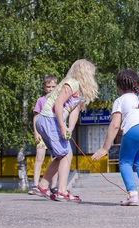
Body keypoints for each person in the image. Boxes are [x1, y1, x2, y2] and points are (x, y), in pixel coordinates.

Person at [93, 70, 139, 206]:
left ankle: (132, 195)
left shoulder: (120, 100)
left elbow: (115, 125)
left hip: (135, 128)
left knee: (125, 161)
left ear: (119, 87)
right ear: (138, 85)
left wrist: (105, 148)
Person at [34, 59, 98, 202]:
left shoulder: (80, 90)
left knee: (61, 154)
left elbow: (74, 110)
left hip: (51, 121)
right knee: (66, 154)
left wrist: (70, 128)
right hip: (49, 119)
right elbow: (58, 103)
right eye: (91, 74)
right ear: (83, 73)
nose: (92, 78)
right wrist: (62, 126)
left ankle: (43, 185)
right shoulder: (71, 83)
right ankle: (61, 191)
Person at [29, 75, 58, 195]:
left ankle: (54, 186)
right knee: (39, 157)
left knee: (55, 158)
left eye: (53, 87)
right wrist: (36, 132)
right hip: (42, 133)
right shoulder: (41, 101)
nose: (50, 89)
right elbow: (36, 117)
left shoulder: (58, 100)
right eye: (48, 87)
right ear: (44, 87)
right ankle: (36, 184)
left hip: (54, 133)